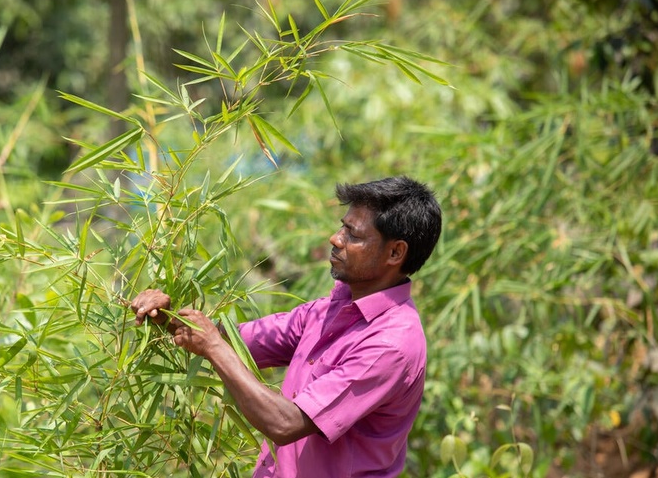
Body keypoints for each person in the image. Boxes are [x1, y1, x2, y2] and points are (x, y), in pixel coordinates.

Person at [131, 176, 442, 478]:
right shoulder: (328, 310)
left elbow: (284, 424)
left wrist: (211, 346)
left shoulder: (390, 345)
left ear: (395, 252)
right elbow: (230, 340)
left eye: (354, 234)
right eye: (342, 226)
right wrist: (169, 318)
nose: (336, 239)